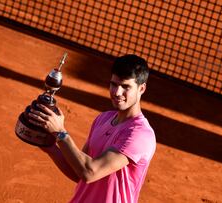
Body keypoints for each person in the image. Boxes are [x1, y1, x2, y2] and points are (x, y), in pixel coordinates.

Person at [28, 54, 156, 203]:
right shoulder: (103, 119)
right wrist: (48, 145)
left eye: (125, 86)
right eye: (113, 84)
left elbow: (90, 172)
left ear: (142, 88)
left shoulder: (140, 134)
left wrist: (60, 133)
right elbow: (79, 172)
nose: (117, 92)